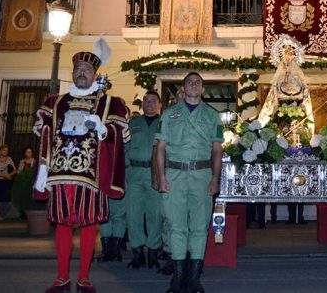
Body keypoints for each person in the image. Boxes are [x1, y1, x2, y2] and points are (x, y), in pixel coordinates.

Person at [33, 51, 130, 293]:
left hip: (91, 177)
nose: (82, 73)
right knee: (62, 224)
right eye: (78, 69)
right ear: (73, 72)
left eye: (87, 69)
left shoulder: (109, 103)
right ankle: (62, 277)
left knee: (89, 225)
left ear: (95, 75)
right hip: (59, 174)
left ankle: (84, 277)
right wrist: (44, 169)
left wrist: (102, 128)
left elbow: (121, 136)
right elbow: (43, 133)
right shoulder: (55, 101)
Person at [153, 72, 224, 293]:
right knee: (176, 227)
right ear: (183, 88)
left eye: (198, 83)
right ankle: (178, 277)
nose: (194, 85)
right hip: (174, 176)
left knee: (199, 228)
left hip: (202, 176)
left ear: (202, 89)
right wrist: (161, 177)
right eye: (189, 82)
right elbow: (160, 148)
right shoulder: (169, 114)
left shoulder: (213, 116)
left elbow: (217, 150)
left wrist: (215, 179)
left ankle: (194, 279)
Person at [125, 91, 169, 272]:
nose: (149, 104)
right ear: (142, 104)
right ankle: (137, 253)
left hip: (156, 175)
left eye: (153, 101)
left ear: (159, 104)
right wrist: (123, 176)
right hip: (134, 174)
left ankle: (152, 252)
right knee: (133, 214)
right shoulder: (132, 123)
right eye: (146, 101)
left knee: (155, 215)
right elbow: (124, 149)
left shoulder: (166, 124)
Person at [0, 145, 16, 222]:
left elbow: (15, 170)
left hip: (5, 181)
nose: (6, 152)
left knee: (1, 198)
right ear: (0, 151)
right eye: (4, 150)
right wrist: (5, 176)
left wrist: (9, 175)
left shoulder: (9, 159)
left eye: (7, 150)